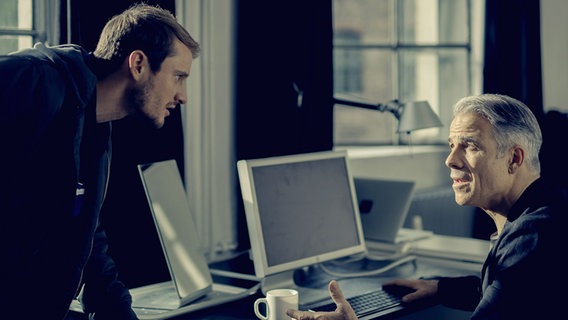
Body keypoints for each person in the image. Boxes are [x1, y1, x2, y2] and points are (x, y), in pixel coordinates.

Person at [287, 93, 568, 320]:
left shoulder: (533, 237)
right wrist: (440, 288)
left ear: (514, 159)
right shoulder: (542, 211)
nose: (450, 160)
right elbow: (515, 290)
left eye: (469, 146)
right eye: (451, 145)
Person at [0, 3, 200, 319]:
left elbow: (87, 238)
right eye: (178, 77)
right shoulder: (35, 81)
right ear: (138, 64)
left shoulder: (95, 130)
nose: (183, 95)